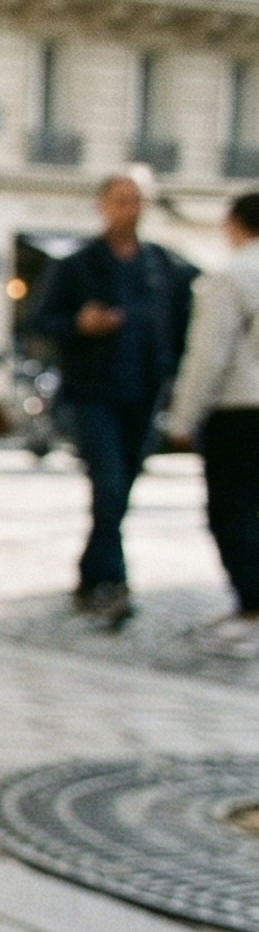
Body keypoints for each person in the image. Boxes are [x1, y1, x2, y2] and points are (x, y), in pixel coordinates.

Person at [31, 168, 198, 626]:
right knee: (108, 485)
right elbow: (42, 322)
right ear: (102, 205)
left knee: (120, 489)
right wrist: (79, 325)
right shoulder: (77, 264)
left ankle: (92, 574)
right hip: (92, 392)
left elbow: (186, 328)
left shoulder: (164, 266)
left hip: (144, 394)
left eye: (137, 199)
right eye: (120, 198)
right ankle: (112, 582)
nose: (129, 208)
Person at [162, 191, 259, 655]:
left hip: (240, 410)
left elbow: (208, 355)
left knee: (231, 509)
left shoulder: (232, 275)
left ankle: (252, 604)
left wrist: (183, 417)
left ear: (235, 224)